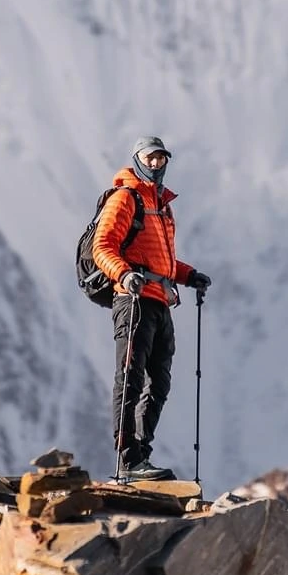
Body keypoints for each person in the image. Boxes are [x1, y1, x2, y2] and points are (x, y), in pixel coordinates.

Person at [91, 136, 211, 481]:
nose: (157, 164)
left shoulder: (161, 205)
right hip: (132, 300)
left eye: (162, 158)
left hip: (159, 301)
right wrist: (124, 274)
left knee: (159, 382)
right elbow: (103, 246)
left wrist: (189, 275)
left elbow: (162, 261)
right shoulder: (125, 198)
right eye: (151, 158)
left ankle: (141, 454)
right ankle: (127, 459)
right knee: (130, 376)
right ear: (138, 160)